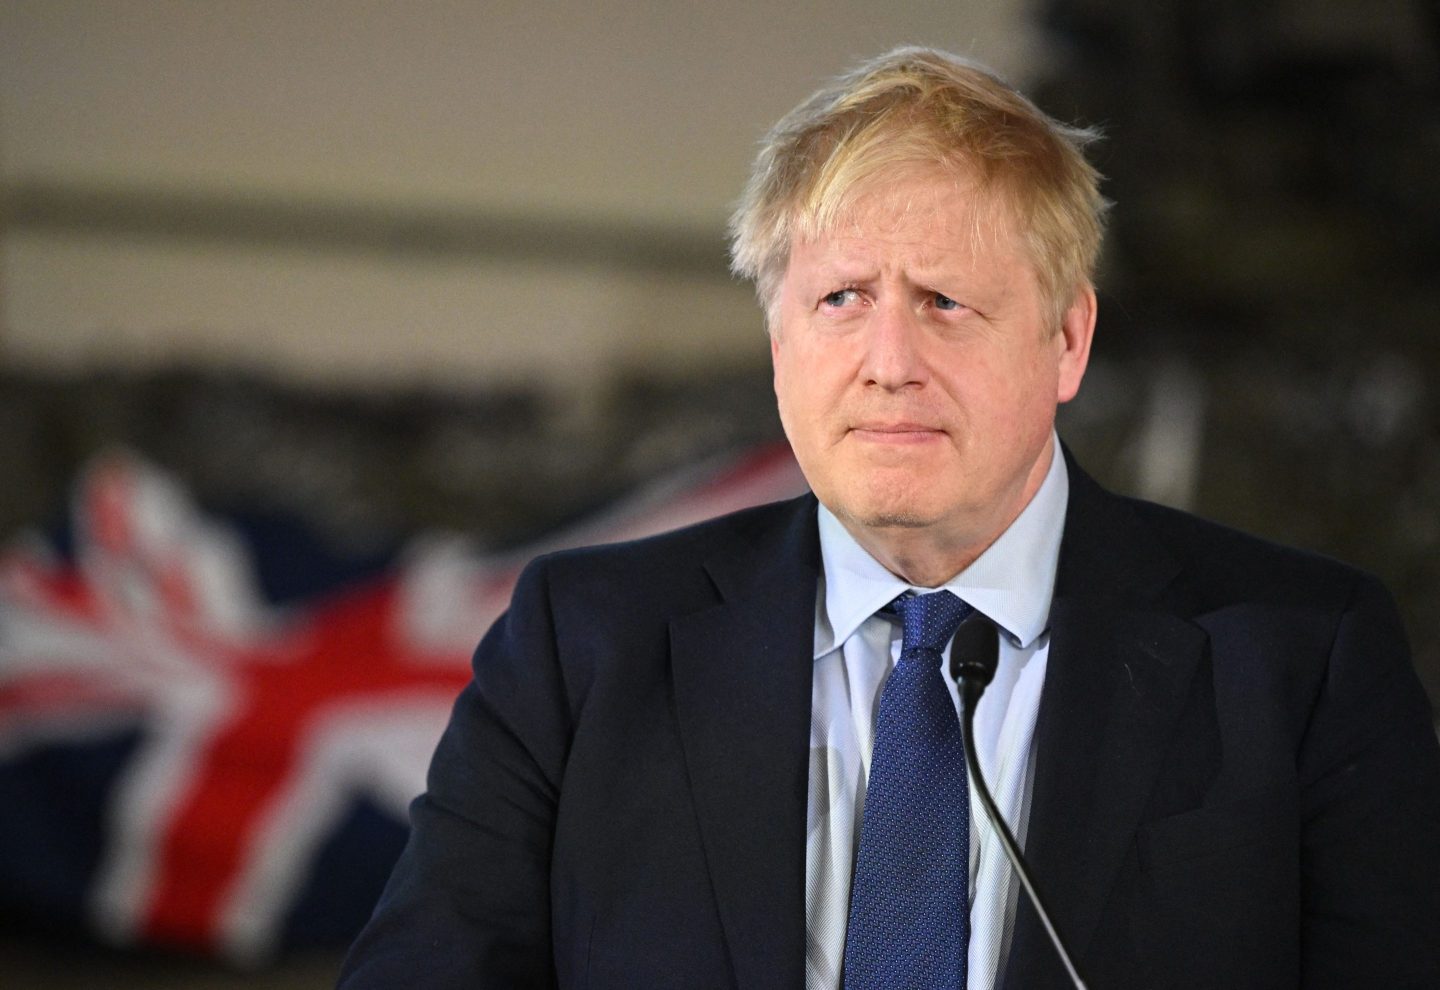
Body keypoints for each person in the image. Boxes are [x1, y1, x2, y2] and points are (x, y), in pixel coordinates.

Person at [337, 47, 1440, 989]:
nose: (889, 363)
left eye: (945, 302)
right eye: (841, 300)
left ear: (1067, 340)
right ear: (780, 343)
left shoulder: (1301, 661)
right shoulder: (581, 649)